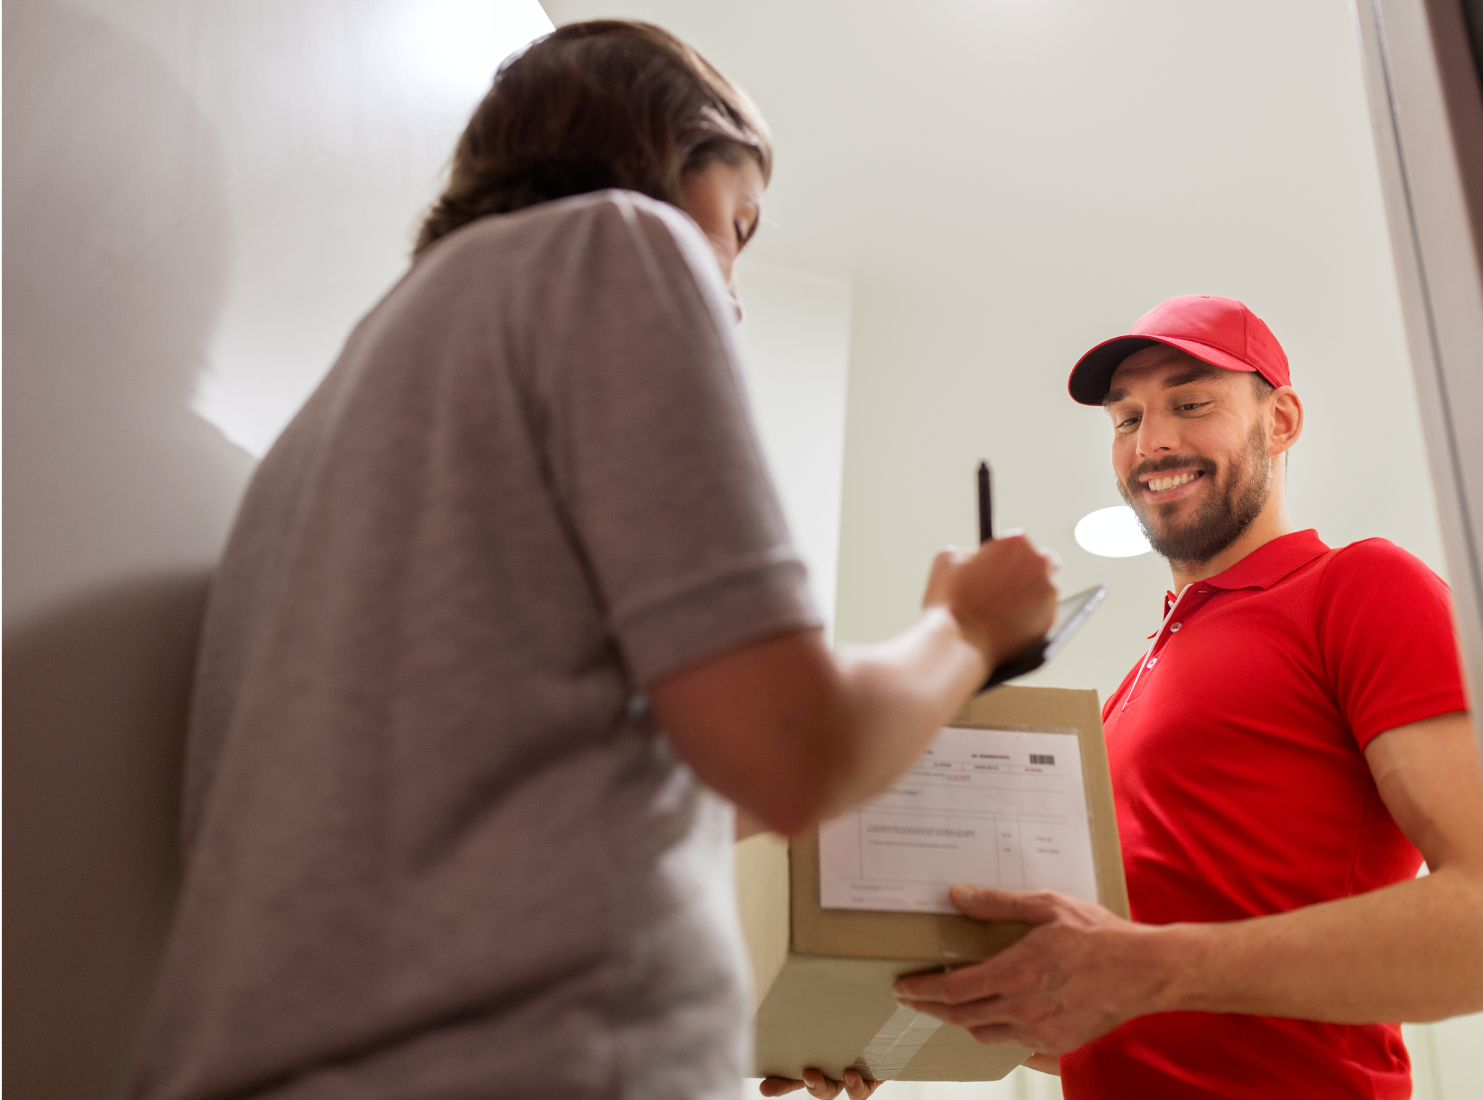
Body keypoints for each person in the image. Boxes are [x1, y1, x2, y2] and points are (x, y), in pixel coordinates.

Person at [129, 22, 1058, 1100]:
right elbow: (794, 748)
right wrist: (966, 626)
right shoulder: (617, 244)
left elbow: (567, 785)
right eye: (738, 227)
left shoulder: (326, 427)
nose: (734, 293)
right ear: (665, 158)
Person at [882, 295, 1483, 1098]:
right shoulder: (1128, 693)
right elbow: (1133, 1005)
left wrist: (1151, 970)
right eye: (1126, 419)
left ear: (1281, 419)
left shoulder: (1361, 587)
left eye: (1190, 404)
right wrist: (890, 1023)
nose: (1152, 443)